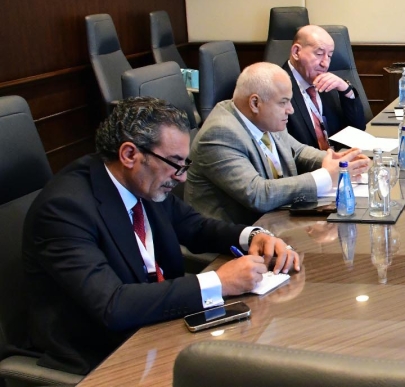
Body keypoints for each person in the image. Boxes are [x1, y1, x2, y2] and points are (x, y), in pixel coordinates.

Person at [22, 97, 301, 375]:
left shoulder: (142, 181)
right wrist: (219, 282)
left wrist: (253, 237)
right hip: (106, 356)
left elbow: (195, 227)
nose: (181, 177)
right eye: (174, 163)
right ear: (129, 155)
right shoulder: (64, 209)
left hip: (162, 328)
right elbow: (112, 305)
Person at [185, 62, 369, 225]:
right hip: (234, 238)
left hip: (276, 222)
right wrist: (325, 176)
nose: (291, 110)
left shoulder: (263, 118)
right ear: (255, 103)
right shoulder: (220, 134)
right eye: (284, 102)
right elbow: (257, 194)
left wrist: (338, 162)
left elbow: (297, 151)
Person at [283, 25, 366, 149]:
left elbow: (357, 130)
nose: (325, 63)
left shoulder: (327, 84)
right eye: (319, 53)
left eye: (329, 56)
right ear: (296, 52)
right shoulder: (278, 88)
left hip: (339, 157)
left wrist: (346, 90)